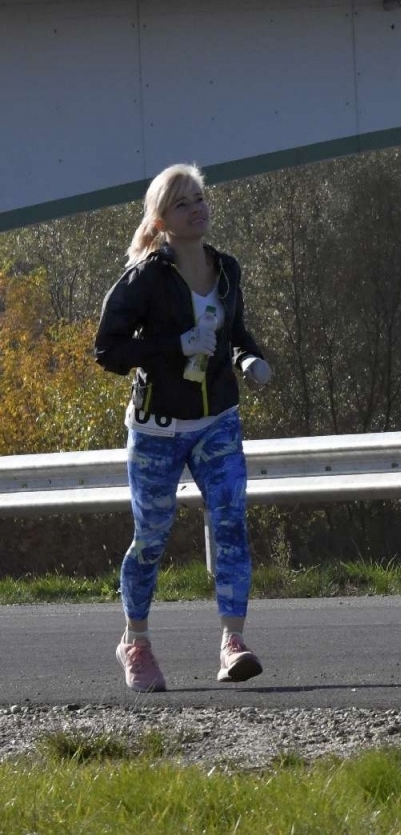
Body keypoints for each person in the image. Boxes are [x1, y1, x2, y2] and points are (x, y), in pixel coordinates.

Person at [94, 164, 273, 691]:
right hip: (157, 429)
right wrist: (174, 346)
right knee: (150, 537)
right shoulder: (145, 278)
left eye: (199, 198)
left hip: (217, 421)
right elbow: (108, 350)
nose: (197, 209)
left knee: (231, 522)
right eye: (183, 204)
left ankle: (233, 642)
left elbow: (236, 332)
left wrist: (249, 360)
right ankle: (136, 643)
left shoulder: (227, 270)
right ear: (162, 219)